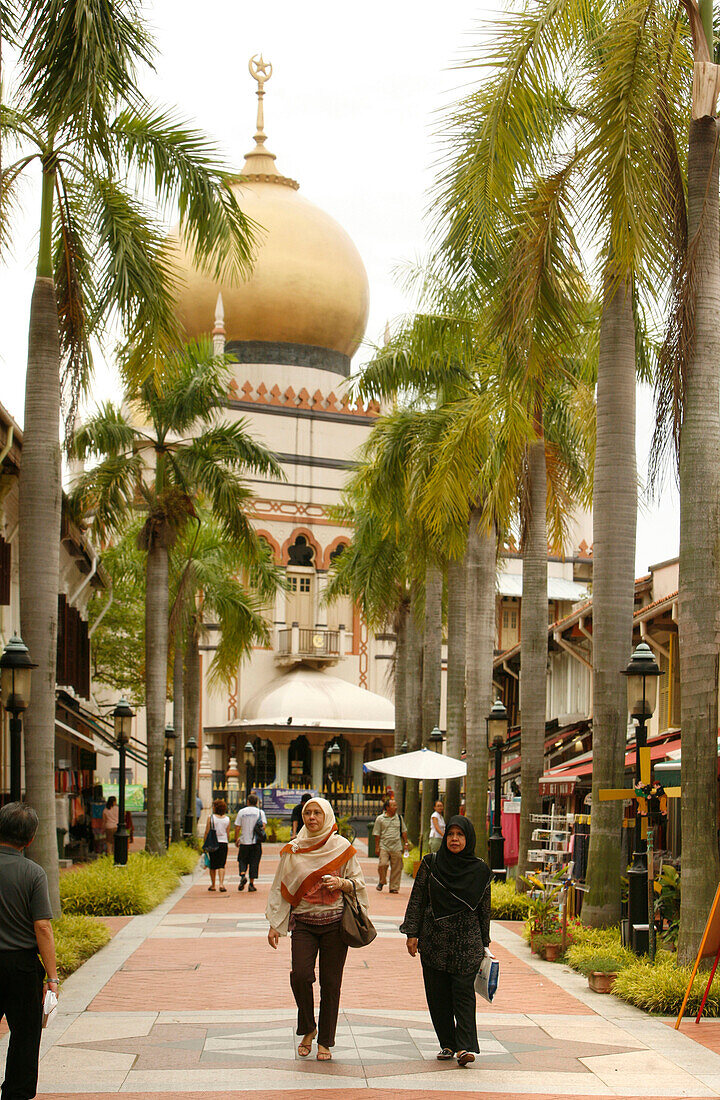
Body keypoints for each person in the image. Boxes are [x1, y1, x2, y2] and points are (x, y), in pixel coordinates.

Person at [266, 796, 368, 1061]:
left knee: (331, 984)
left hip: (335, 926)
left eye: (317, 814)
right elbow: (280, 886)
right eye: (307, 813)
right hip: (303, 925)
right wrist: (275, 924)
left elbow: (358, 882)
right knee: (301, 976)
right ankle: (308, 1027)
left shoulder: (341, 847)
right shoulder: (294, 849)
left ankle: (325, 1040)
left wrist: (341, 884)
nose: (311, 818)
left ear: (327, 817)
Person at [400, 815, 491, 1068]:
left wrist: (485, 943)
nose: (454, 839)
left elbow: (485, 909)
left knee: (463, 994)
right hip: (434, 941)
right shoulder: (431, 864)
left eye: (459, 835)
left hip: (467, 942)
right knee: (438, 994)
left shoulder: (480, 870)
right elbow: (418, 899)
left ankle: (464, 1047)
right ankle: (447, 1043)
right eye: (450, 834)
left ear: (468, 838)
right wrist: (412, 933)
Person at [0, 802, 59, 1100]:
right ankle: (16, 1094)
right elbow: (43, 928)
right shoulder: (33, 873)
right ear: (31, 838)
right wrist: (53, 977)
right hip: (21, 966)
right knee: (24, 1036)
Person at [372, 796, 407, 893]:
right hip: (384, 845)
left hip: (396, 846)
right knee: (382, 864)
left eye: (396, 805)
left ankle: (394, 887)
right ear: (387, 807)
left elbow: (404, 831)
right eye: (393, 805)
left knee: (397, 867)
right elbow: (377, 834)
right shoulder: (380, 819)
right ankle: (382, 881)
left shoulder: (399, 818)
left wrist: (406, 843)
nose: (395, 807)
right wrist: (377, 847)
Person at [234, 793, 267, 892]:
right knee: (254, 862)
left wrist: (236, 838)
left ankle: (243, 875)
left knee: (242, 860)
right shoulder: (260, 813)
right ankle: (251, 884)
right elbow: (263, 826)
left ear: (247, 802)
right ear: (256, 802)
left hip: (244, 841)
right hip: (255, 842)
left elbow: (237, 827)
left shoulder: (241, 812)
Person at [203, 798, 230, 892]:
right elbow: (227, 832)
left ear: (215, 808)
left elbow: (207, 831)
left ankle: (213, 885)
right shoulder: (227, 819)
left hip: (213, 843)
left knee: (213, 865)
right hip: (223, 842)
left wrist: (204, 843)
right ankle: (222, 884)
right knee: (222, 864)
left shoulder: (210, 818)